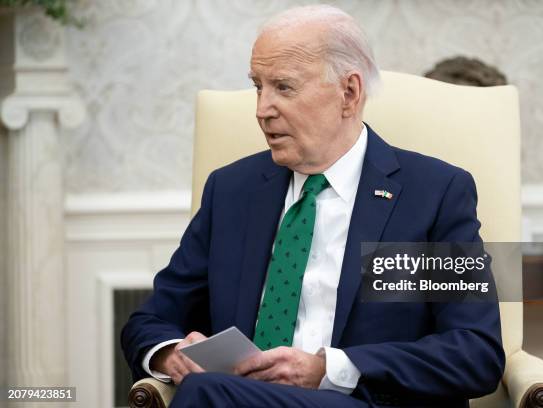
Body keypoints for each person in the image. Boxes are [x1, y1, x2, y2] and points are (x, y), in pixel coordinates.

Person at [121, 5, 504, 407]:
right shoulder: (232, 191)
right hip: (235, 396)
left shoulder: (432, 195)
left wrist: (330, 370)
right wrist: (170, 354)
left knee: (206, 394)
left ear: (349, 93)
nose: (262, 109)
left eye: (284, 88)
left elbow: (474, 353)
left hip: (363, 401)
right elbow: (150, 321)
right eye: (258, 86)